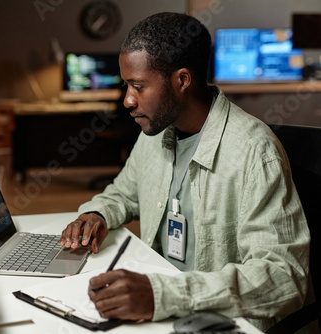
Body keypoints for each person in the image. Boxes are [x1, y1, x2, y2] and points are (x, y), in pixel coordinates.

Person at [59, 12, 312, 332]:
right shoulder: (156, 132)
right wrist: (97, 213)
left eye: (138, 86)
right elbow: (124, 192)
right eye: (126, 85)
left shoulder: (254, 152)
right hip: (164, 302)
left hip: (216, 318)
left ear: (181, 80)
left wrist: (164, 295)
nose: (127, 100)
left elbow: (283, 277)